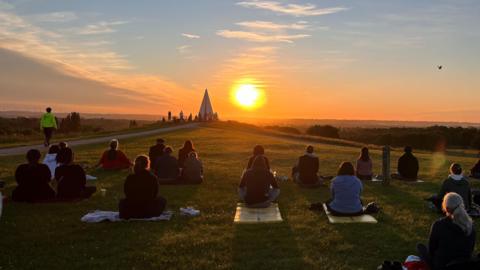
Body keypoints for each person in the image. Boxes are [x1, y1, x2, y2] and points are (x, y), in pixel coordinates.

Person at [417, 192, 476, 269]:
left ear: (446, 208)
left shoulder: (439, 225)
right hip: (464, 265)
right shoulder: (470, 226)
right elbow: (470, 250)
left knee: (420, 247)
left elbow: (431, 250)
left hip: (441, 266)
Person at [119, 155, 167, 219]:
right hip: (147, 210)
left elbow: (127, 193)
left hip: (131, 209)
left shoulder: (130, 178)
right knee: (162, 200)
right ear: (147, 165)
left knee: (122, 201)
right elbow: (154, 194)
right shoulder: (152, 178)